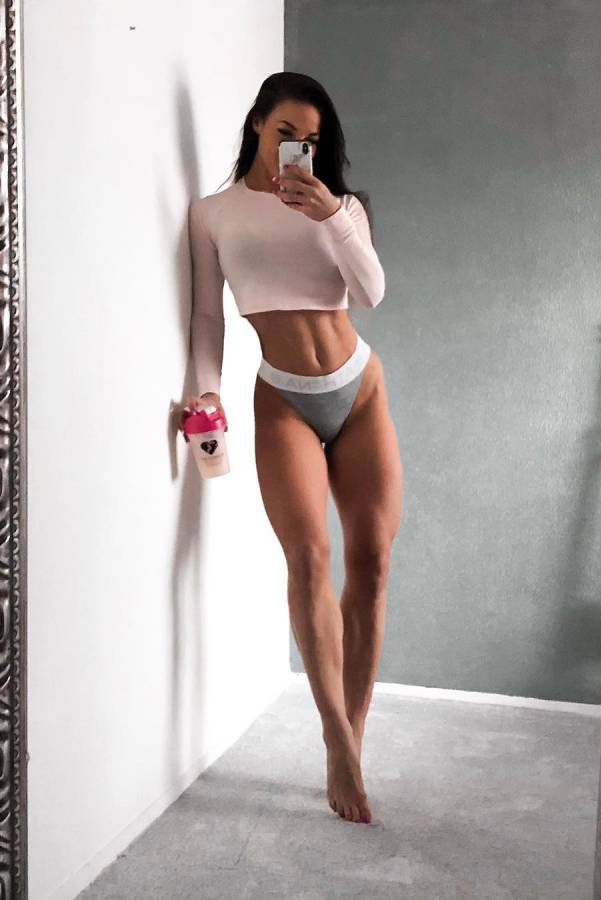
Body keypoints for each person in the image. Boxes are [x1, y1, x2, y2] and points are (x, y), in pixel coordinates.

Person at [179, 72, 403, 825]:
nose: (294, 150)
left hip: (358, 388)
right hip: (281, 398)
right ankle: (334, 738)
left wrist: (332, 214)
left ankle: (354, 729)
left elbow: (370, 293)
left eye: (308, 140)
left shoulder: (342, 207)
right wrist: (205, 391)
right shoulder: (212, 214)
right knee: (308, 557)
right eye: (283, 134)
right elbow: (207, 316)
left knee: (371, 562)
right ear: (256, 124)